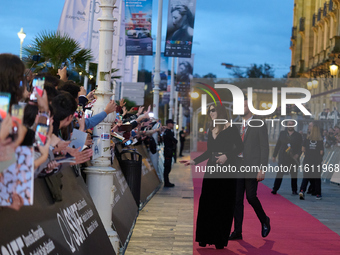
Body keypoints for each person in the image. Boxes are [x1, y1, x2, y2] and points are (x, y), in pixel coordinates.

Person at [182, 104, 243, 249]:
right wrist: (194, 161)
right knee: (207, 202)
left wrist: (227, 156)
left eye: (213, 110)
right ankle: (204, 236)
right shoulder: (211, 129)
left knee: (224, 204)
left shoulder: (231, 128)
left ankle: (220, 239)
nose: (211, 113)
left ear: (221, 112)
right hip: (211, 169)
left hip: (228, 170)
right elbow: (209, 151)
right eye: (209, 111)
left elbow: (240, 147)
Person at [230, 99, 270, 240]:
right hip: (238, 165)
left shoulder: (259, 123)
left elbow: (265, 148)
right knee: (237, 199)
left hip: (253, 166)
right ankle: (238, 231)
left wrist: (262, 169)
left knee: (251, 197)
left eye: (244, 105)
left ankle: (264, 220)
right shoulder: (237, 124)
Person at [271, 120, 303, 195]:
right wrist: (274, 155)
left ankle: (294, 190)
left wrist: (298, 154)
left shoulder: (298, 135)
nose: (290, 125)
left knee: (294, 174)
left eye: (292, 124)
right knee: (280, 173)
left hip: (293, 157)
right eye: (289, 124)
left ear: (294, 125)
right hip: (283, 157)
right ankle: (275, 188)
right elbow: (278, 144)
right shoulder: (282, 133)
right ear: (287, 125)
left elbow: (300, 147)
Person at [299, 125, 324, 200]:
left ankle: (302, 191)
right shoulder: (320, 141)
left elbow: (303, 149)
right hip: (316, 161)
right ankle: (318, 194)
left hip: (307, 160)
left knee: (306, 177)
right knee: (317, 178)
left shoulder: (307, 139)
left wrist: (309, 151)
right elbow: (321, 152)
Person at [163, 119, 177, 187]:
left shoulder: (168, 132)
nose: (173, 125)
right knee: (167, 167)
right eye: (172, 123)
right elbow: (174, 140)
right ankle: (166, 182)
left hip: (169, 151)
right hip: (168, 151)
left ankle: (167, 181)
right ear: (168, 124)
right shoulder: (168, 132)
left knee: (168, 167)